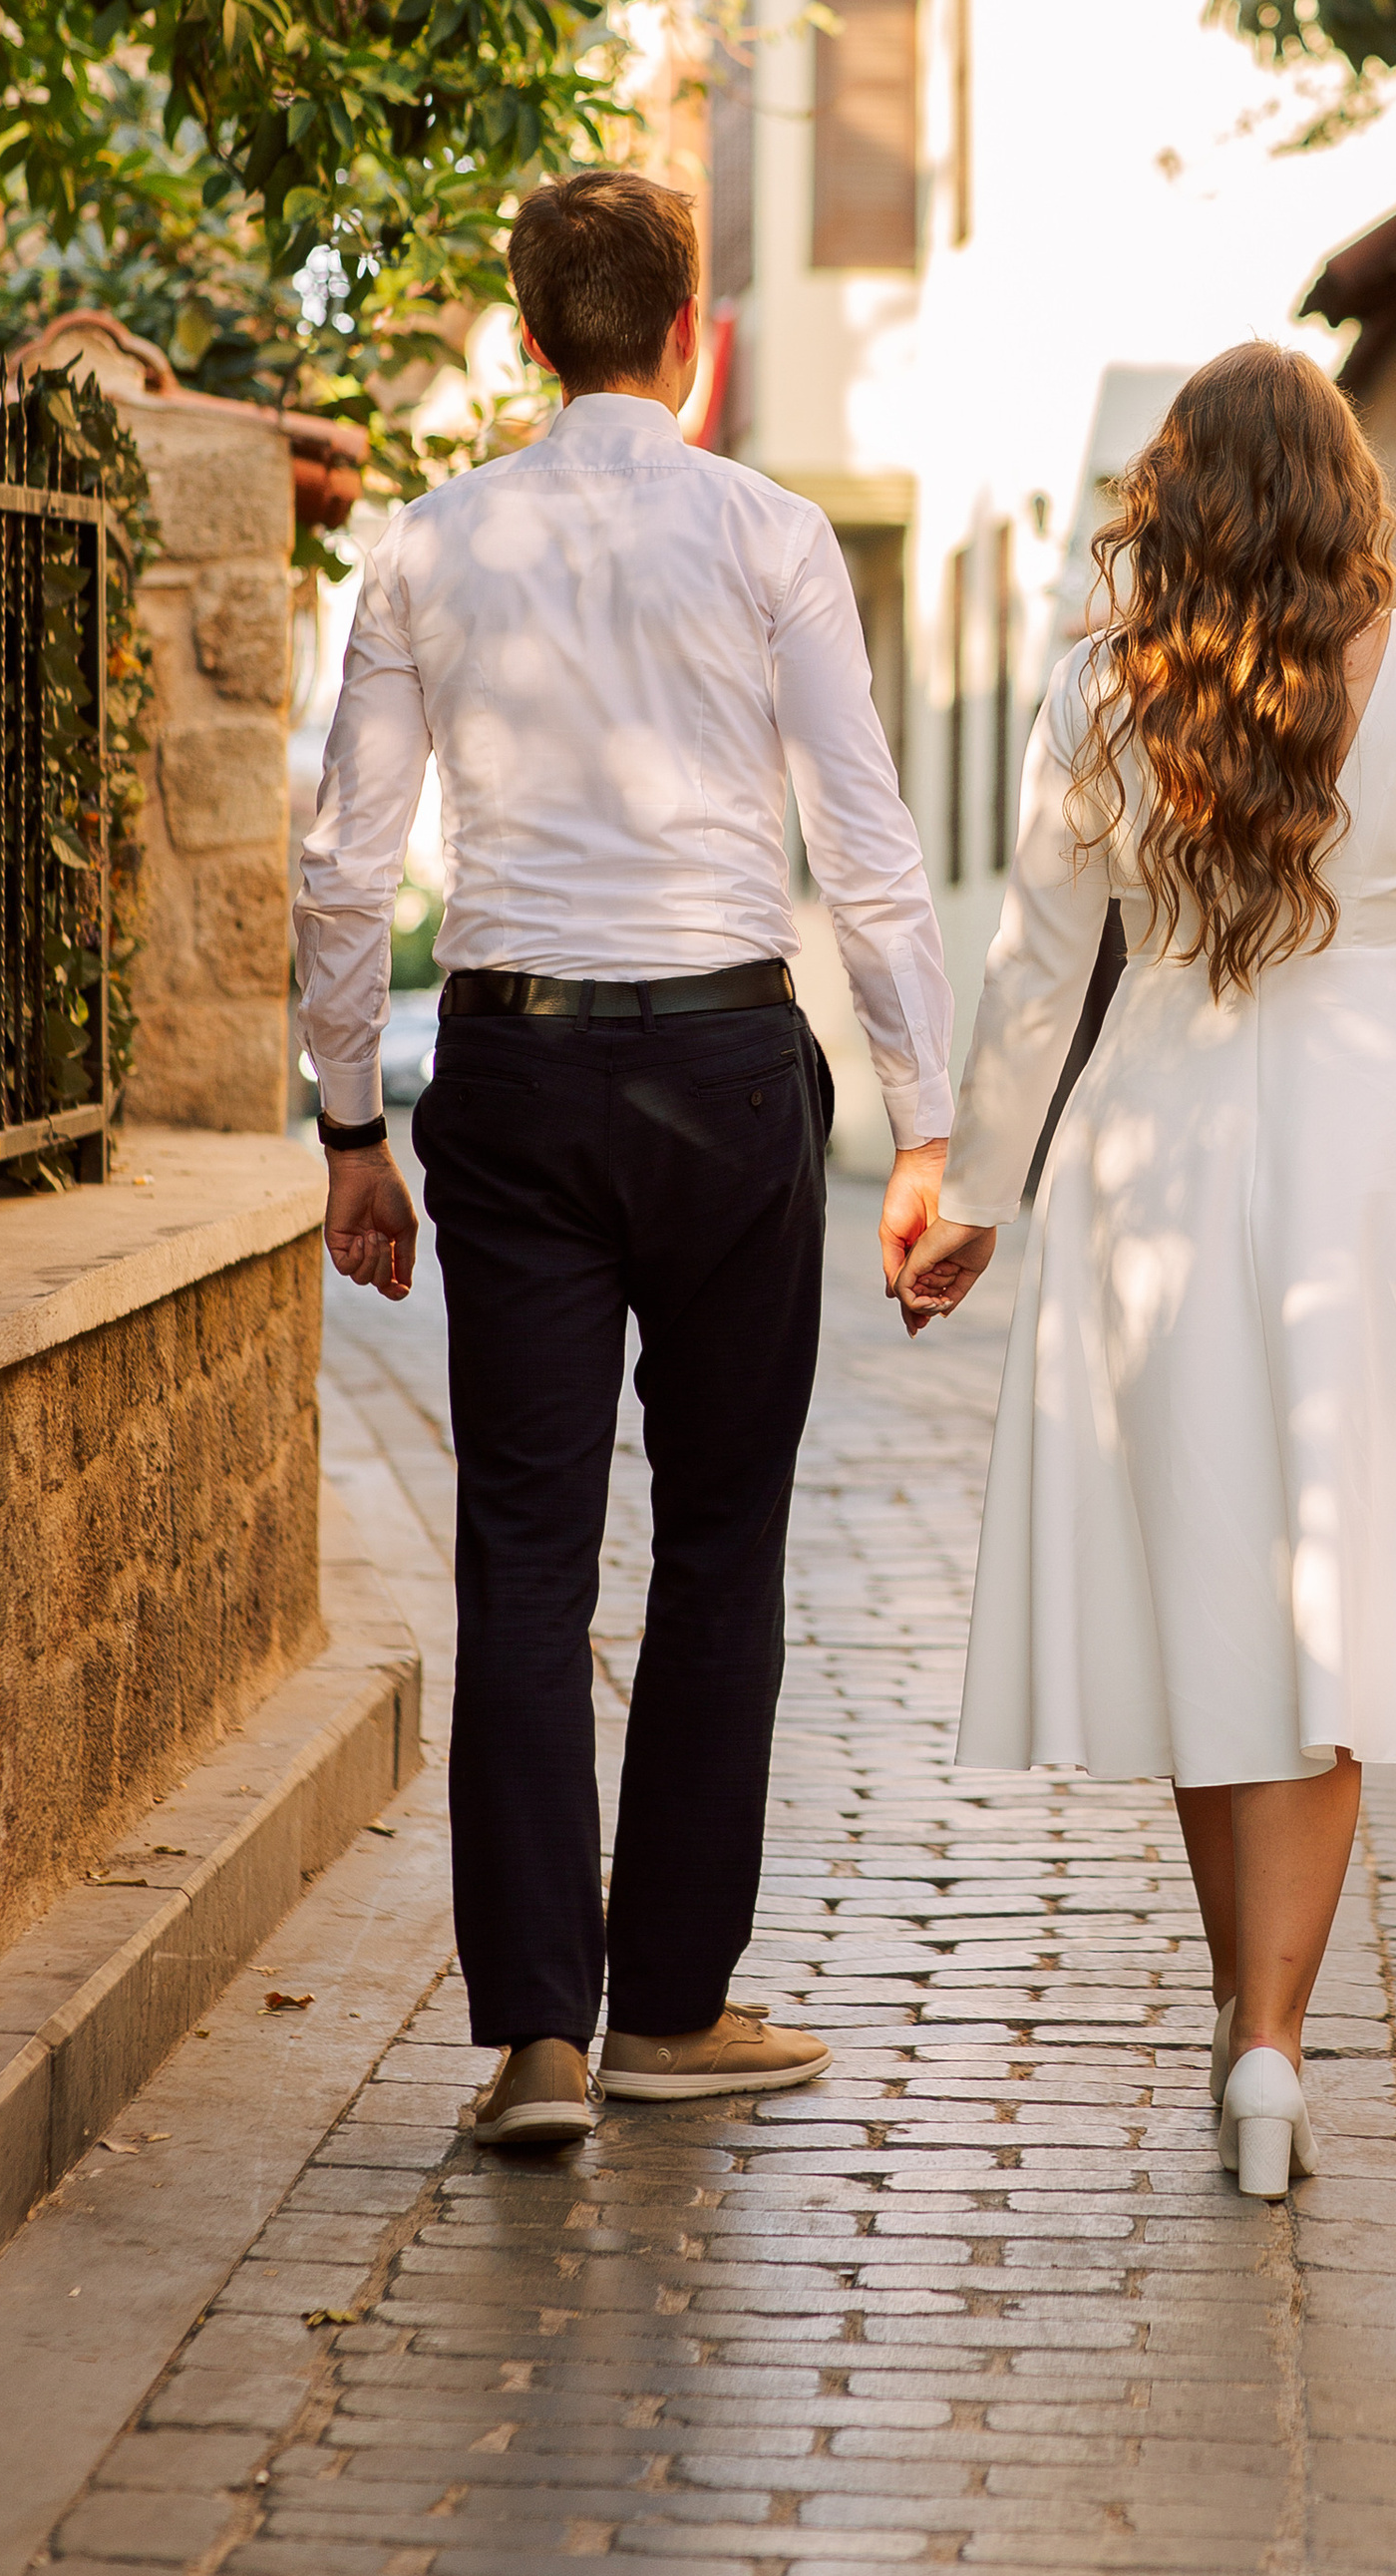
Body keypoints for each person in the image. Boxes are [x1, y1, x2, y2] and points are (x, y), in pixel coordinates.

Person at [297, 173, 954, 2148]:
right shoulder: (767, 536)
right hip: (731, 1069)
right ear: (691, 338)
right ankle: (668, 2002)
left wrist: (350, 1126)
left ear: (525, 337)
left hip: (509, 1074)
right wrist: (928, 1126)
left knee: (518, 1537)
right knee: (723, 1532)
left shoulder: (423, 548)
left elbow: (344, 865)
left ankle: (536, 2042)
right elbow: (864, 833)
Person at [893, 346, 1396, 2202]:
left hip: (1156, 1150)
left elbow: (1037, 970)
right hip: (1375, 1153)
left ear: (1173, 499)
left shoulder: (1101, 696)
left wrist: (969, 1195)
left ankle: (1240, 2028)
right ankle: (1272, 2034)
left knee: (1212, 1582)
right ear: (1346, 493)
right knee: (1335, 1590)